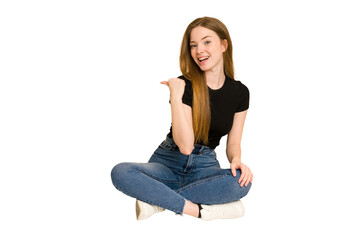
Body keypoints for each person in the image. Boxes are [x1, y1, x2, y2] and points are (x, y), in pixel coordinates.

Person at [111, 16, 253, 221]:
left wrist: (237, 160)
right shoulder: (183, 85)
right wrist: (175, 97)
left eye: (206, 42)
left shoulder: (240, 92)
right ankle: (200, 211)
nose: (199, 51)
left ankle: (156, 200)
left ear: (223, 45)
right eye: (193, 45)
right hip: (168, 161)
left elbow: (234, 142)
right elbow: (185, 146)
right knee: (121, 172)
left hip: (205, 166)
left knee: (242, 181)